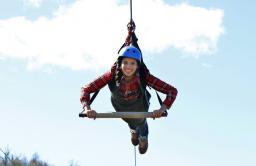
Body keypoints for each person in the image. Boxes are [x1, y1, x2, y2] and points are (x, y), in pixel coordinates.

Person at [80, 45, 178, 154]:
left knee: (140, 120)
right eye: (125, 62)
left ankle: (143, 137)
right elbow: (86, 89)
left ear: (137, 66)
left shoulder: (144, 76)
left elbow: (172, 91)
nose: (128, 66)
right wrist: (87, 108)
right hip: (120, 105)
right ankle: (133, 130)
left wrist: (162, 109)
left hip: (139, 105)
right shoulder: (111, 74)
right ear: (120, 63)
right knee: (129, 117)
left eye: (132, 63)